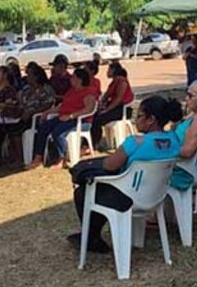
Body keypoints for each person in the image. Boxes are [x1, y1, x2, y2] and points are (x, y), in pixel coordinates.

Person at [65, 95, 183, 254]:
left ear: (151, 120)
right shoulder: (174, 139)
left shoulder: (135, 142)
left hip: (127, 197)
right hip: (156, 195)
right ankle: (92, 236)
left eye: (139, 115)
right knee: (97, 191)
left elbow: (110, 165)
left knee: (83, 192)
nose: (135, 120)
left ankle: (92, 237)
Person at [29, 67, 99, 168]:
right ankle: (38, 158)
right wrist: (47, 112)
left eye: (73, 77)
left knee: (58, 132)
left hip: (81, 121)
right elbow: (62, 106)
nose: (71, 79)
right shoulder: (72, 91)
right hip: (63, 117)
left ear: (79, 80)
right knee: (44, 127)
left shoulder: (88, 91)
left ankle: (62, 159)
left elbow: (89, 109)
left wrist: (71, 116)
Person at [90, 62, 134, 149]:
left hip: (121, 109)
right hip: (114, 107)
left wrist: (107, 109)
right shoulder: (114, 82)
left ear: (114, 70)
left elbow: (118, 99)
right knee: (93, 116)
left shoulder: (122, 82)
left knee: (98, 119)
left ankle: (96, 143)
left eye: (109, 70)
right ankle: (92, 142)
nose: (107, 72)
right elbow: (106, 96)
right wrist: (102, 104)